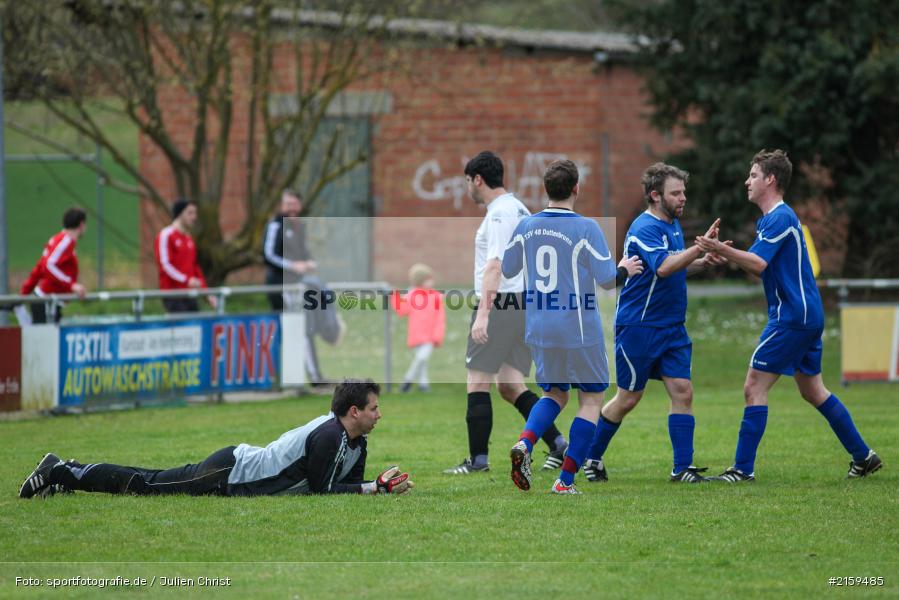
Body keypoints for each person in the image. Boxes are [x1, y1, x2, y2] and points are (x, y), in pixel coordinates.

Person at [694, 149, 881, 481]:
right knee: (813, 391)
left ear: (770, 179)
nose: (747, 181)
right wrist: (729, 255)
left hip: (793, 317)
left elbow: (758, 263)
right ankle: (863, 456)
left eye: (753, 175)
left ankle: (742, 470)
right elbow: (761, 266)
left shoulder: (780, 217)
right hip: (806, 315)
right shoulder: (771, 220)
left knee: (754, 386)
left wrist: (721, 248)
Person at [19, 379, 414, 499]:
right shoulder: (330, 436)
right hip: (229, 471)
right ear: (354, 412)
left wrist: (374, 485)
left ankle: (66, 473)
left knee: (148, 480)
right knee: (146, 484)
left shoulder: (356, 441)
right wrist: (373, 489)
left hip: (235, 470)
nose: (380, 414)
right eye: (374, 408)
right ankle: (62, 471)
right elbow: (323, 490)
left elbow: (346, 487)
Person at [503, 159, 643, 494]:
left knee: (554, 394)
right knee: (591, 399)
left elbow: (508, 270)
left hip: (539, 327)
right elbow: (607, 279)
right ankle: (564, 481)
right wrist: (625, 268)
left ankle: (525, 442)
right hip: (577, 328)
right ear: (576, 188)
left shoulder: (526, 226)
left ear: (546, 189)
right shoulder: (586, 228)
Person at [582, 163, 727, 484]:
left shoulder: (671, 225)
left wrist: (702, 262)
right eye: (676, 193)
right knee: (628, 398)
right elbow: (662, 267)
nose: (683, 198)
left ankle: (682, 469)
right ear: (655, 195)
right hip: (640, 327)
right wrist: (699, 247)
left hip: (672, 327)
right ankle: (590, 457)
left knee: (683, 391)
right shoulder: (644, 227)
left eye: (683, 192)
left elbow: (673, 267)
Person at [443, 151, 569, 475]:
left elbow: (495, 266)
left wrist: (483, 314)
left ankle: (478, 461)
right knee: (510, 384)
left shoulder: (499, 214)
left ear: (478, 180)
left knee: (477, 381)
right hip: (523, 304)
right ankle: (557, 443)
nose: (467, 188)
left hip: (500, 304)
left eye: (467, 181)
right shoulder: (519, 208)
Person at [262, 188, 344, 386]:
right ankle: (276, 378)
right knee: (293, 331)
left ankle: (315, 370)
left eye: (294, 204)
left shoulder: (299, 226)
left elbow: (303, 252)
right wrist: (293, 265)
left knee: (305, 328)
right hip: (280, 286)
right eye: (288, 204)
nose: (291, 208)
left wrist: (309, 262)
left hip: (298, 286)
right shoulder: (275, 225)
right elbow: (268, 255)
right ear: (282, 205)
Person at [19, 208, 88, 324]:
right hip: (47, 302)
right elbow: (47, 265)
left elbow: (40, 267)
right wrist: (71, 285)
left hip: (47, 302)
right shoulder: (65, 242)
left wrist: (24, 293)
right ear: (81, 224)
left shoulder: (59, 239)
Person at [154, 198, 216, 313]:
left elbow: (195, 268)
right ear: (180, 214)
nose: (194, 217)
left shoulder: (189, 239)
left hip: (190, 294)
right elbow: (165, 265)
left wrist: (206, 293)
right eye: (190, 213)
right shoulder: (166, 235)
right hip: (173, 295)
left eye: (195, 213)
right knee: (181, 323)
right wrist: (186, 280)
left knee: (196, 322)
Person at [393, 263, 445, 393]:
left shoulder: (436, 297)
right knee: (422, 361)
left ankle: (407, 381)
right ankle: (424, 385)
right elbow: (402, 310)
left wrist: (437, 335)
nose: (431, 281)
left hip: (430, 336)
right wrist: (395, 297)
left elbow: (440, 318)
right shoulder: (411, 295)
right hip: (416, 335)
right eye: (428, 279)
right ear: (420, 281)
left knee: (421, 358)